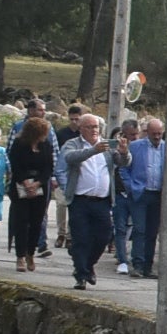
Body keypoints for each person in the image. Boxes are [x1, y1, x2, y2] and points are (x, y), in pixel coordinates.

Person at [60, 112, 117, 288]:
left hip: (101, 201)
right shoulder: (73, 144)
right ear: (81, 129)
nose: (94, 130)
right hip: (80, 200)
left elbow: (123, 162)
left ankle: (87, 265)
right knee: (81, 238)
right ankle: (81, 275)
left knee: (103, 236)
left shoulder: (107, 145)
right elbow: (69, 158)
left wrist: (124, 152)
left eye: (96, 127)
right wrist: (93, 150)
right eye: (90, 127)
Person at [6, 110, 54, 274]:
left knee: (36, 222)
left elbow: (49, 167)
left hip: (40, 185)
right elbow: (15, 164)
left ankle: (30, 253)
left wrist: (39, 183)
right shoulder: (20, 144)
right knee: (22, 221)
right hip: (21, 184)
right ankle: (19, 255)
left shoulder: (45, 145)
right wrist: (25, 182)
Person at [123, 115, 167, 276]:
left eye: (159, 134)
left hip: (158, 194)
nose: (156, 137)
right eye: (154, 133)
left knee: (152, 232)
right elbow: (124, 167)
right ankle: (138, 264)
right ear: (147, 132)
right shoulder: (135, 146)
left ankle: (148, 265)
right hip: (140, 193)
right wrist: (130, 186)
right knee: (139, 229)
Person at [105, 114, 140, 274]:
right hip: (120, 194)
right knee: (120, 228)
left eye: (137, 134)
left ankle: (134, 257)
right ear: (124, 134)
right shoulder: (114, 148)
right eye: (132, 134)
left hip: (137, 194)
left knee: (135, 228)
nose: (135, 137)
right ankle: (122, 259)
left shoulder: (141, 147)